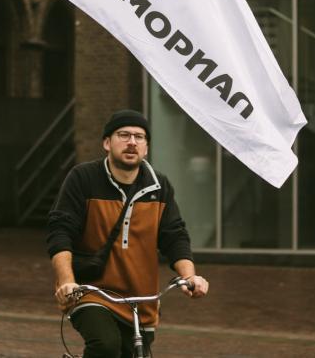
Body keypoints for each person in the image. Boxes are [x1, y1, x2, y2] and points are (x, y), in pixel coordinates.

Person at [47, 109, 209, 357]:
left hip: (142, 300)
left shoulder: (159, 186)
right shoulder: (83, 178)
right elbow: (60, 231)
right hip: (91, 291)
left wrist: (190, 277)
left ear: (146, 148)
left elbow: (174, 235)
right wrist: (67, 281)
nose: (132, 142)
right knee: (106, 345)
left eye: (139, 137)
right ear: (107, 143)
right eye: (123, 135)